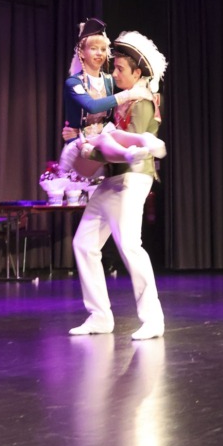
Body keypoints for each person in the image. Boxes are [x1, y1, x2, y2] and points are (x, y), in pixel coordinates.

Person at [68, 29, 167, 340]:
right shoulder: (121, 103)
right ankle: (99, 316)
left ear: (137, 73)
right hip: (113, 178)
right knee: (84, 244)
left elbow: (124, 142)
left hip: (133, 177)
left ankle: (152, 318)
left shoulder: (143, 102)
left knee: (130, 245)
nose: (114, 73)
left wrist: (88, 150)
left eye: (121, 69)